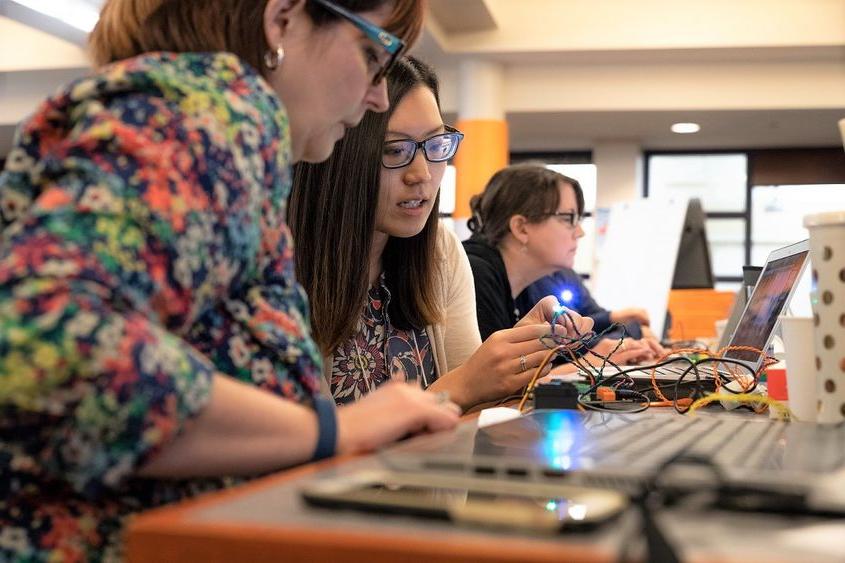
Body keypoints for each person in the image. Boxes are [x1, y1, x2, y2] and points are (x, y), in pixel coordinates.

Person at [0, 1, 462, 560]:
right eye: (372, 54)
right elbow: (45, 345)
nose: (378, 96)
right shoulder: (210, 113)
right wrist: (331, 431)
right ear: (282, 20)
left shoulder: (204, 121)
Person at [290, 57, 593, 412]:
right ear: (339, 149)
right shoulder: (280, 259)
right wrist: (463, 386)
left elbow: (473, 407)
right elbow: (299, 443)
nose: (422, 174)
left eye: (435, 146)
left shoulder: (440, 251)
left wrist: (515, 358)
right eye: (394, 150)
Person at [463, 164, 656, 365]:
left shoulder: (520, 280)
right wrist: (592, 361)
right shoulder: (475, 273)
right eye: (568, 218)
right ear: (521, 228)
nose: (580, 232)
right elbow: (495, 385)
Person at [515, 268, 665, 356]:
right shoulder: (528, 284)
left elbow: (593, 322)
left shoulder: (566, 274)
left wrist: (620, 321)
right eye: (568, 218)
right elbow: (564, 345)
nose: (580, 232)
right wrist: (634, 331)